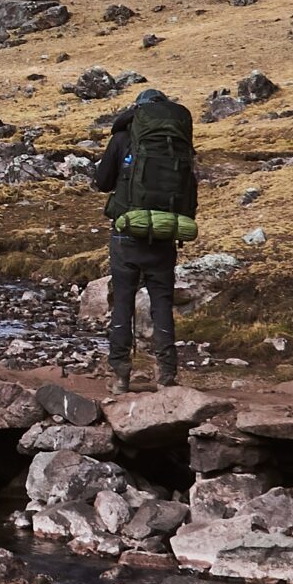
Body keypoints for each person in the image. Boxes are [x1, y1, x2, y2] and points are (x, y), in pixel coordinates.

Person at [92, 87, 199, 391]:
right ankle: (166, 375)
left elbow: (102, 183)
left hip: (126, 234)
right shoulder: (178, 144)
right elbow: (189, 192)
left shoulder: (123, 138)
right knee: (161, 303)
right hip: (165, 236)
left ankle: (120, 376)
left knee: (123, 301)